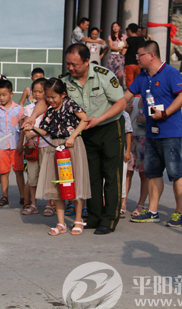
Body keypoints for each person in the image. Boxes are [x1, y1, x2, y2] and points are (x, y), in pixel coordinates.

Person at [26, 44, 126, 235]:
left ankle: (109, 219)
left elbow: (121, 102)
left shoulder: (103, 75)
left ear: (87, 61)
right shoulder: (65, 81)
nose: (71, 68)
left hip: (109, 127)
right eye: (68, 64)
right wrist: (32, 117)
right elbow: (46, 100)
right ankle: (94, 216)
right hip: (83, 132)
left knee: (112, 174)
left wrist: (99, 119)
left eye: (75, 64)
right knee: (91, 174)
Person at [127, 41, 182, 227]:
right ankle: (153, 211)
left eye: (140, 55)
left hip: (171, 133)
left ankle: (180, 213)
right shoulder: (143, 76)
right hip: (152, 133)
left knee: (176, 173)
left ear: (151, 55)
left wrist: (165, 113)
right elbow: (126, 96)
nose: (137, 58)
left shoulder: (170, 73)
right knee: (153, 173)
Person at [24, 78, 91, 235]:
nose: (50, 100)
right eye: (48, 97)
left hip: (72, 147)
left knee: (74, 184)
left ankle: (78, 221)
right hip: (55, 148)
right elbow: (45, 131)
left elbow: (85, 119)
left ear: (63, 94)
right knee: (58, 185)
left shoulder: (70, 104)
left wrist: (73, 136)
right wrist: (31, 129)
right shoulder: (50, 110)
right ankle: (61, 224)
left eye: (53, 97)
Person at [20, 77, 54, 216]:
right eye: (35, 92)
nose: (38, 94)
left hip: (48, 146)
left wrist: (32, 134)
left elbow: (51, 129)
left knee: (49, 176)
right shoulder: (29, 108)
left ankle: (48, 205)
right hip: (33, 148)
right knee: (32, 177)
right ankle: (34, 204)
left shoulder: (52, 109)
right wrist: (29, 136)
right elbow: (26, 126)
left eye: (41, 91)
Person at [0, 79, 25, 206]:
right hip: (1, 146)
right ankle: (5, 196)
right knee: (3, 172)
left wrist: (21, 143)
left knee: (19, 171)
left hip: (16, 145)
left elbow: (22, 128)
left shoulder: (19, 109)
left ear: (11, 94)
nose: (1, 97)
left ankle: (23, 196)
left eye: (4, 95)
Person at [126, 94, 149, 216]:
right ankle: (123, 202)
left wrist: (146, 120)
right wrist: (125, 110)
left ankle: (141, 203)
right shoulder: (129, 97)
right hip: (129, 137)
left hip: (143, 136)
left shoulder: (150, 96)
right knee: (127, 172)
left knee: (143, 173)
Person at [121, 23, 144, 88]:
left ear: (129, 30)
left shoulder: (128, 40)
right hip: (139, 64)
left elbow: (123, 52)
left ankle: (130, 96)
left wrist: (121, 50)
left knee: (129, 82)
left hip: (129, 63)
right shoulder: (141, 40)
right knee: (137, 81)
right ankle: (137, 96)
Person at [120, 111, 133, 218]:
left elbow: (128, 133)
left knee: (123, 178)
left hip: (121, 151)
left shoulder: (124, 114)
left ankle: (122, 204)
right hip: (107, 152)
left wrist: (128, 151)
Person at [107, 22, 127, 86]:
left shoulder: (124, 36)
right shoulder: (110, 37)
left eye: (116, 26)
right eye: (113, 27)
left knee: (120, 74)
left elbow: (125, 46)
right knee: (112, 73)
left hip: (121, 56)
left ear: (119, 27)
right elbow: (111, 47)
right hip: (113, 56)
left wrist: (120, 49)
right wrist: (119, 48)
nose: (115, 28)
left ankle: (120, 87)